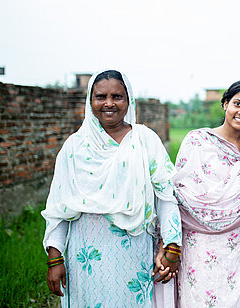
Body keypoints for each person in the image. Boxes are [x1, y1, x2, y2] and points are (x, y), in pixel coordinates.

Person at [41, 69, 182, 307]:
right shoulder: (75, 147)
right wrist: (55, 259)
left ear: (129, 100)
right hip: (84, 256)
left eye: (117, 97)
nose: (109, 104)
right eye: (100, 97)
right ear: (90, 100)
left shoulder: (145, 140)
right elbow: (58, 206)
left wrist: (173, 247)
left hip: (134, 254)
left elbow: (166, 196)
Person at [173, 80, 240, 307]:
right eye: (237, 104)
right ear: (225, 104)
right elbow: (180, 193)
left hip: (237, 245)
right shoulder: (197, 141)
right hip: (198, 244)